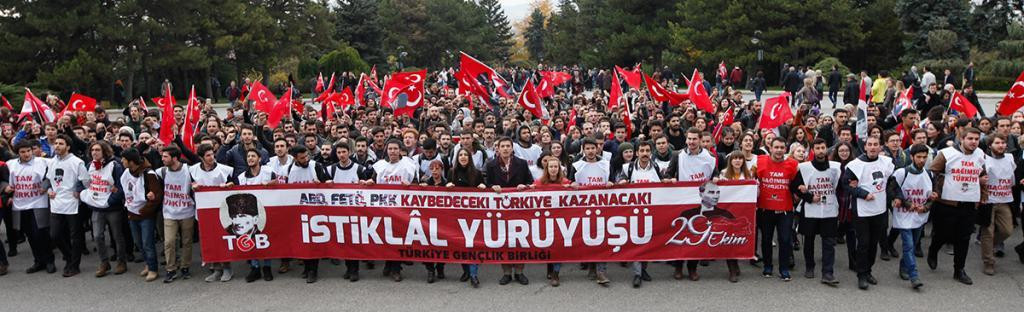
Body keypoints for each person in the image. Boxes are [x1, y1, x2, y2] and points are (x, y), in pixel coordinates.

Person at [928, 127, 986, 285]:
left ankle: (959, 270)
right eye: (970, 139)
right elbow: (932, 172)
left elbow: (983, 175)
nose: (974, 142)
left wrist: (983, 195)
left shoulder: (981, 154)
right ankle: (933, 250)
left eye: (976, 139)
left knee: (964, 237)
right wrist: (938, 189)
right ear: (962, 139)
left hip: (968, 203)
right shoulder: (947, 154)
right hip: (947, 202)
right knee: (943, 234)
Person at [842, 135, 902, 290]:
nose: (873, 147)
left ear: (880, 147)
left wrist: (896, 196)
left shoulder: (887, 162)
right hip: (862, 210)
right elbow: (846, 185)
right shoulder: (855, 165)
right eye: (870, 144)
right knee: (863, 243)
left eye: (876, 144)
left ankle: (868, 270)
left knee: (874, 243)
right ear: (865, 146)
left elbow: (891, 182)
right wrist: (862, 194)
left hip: (880, 209)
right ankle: (861, 275)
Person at [663, 128, 717, 280]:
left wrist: (717, 178)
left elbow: (715, 174)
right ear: (686, 139)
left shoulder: (710, 157)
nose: (691, 142)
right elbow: (668, 173)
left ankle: (692, 268)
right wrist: (670, 179)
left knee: (696, 235)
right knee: (680, 234)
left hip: (701, 202)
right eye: (689, 139)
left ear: (700, 140)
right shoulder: (677, 155)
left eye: (694, 139)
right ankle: (678, 267)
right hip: (682, 200)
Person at [485, 137, 533, 285]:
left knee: (519, 241)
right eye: (502, 146)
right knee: (503, 241)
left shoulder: (522, 163)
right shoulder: (491, 165)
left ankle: (519, 272)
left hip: (519, 209)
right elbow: (487, 184)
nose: (505, 148)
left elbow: (530, 182)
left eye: (508, 146)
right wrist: (492, 187)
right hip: (500, 210)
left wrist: (524, 186)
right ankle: (506, 272)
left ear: (512, 148)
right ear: (497, 149)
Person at [792, 138, 841, 285]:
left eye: (823, 147)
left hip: (829, 210)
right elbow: (794, 186)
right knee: (809, 240)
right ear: (813, 150)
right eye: (817, 148)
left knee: (829, 242)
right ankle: (809, 266)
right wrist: (808, 196)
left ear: (827, 149)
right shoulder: (804, 167)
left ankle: (828, 273)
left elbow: (840, 186)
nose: (820, 150)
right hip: (810, 210)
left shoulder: (835, 167)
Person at [370, 140, 418, 282]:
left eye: (395, 149)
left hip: (402, 208)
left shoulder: (409, 165)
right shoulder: (379, 166)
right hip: (384, 207)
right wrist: (369, 183)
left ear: (399, 150)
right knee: (386, 238)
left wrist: (410, 185)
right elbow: (373, 181)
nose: (392, 151)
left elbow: (417, 184)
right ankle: (388, 263)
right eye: (390, 148)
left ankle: (396, 268)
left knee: (397, 238)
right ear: (386, 150)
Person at [753, 137, 799, 281]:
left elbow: (797, 184)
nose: (779, 150)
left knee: (785, 240)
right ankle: (768, 266)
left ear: (785, 149)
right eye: (776, 147)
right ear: (770, 148)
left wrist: (799, 193)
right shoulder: (760, 161)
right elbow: (750, 178)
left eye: (781, 148)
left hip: (785, 210)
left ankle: (784, 268)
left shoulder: (793, 164)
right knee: (766, 239)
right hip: (765, 209)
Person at [189, 143, 236, 282]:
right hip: (204, 212)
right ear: (201, 157)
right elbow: (190, 186)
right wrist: (193, 186)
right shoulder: (193, 170)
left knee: (223, 239)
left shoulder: (225, 170)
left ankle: (227, 268)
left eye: (212, 154)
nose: (211, 157)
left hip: (222, 210)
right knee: (210, 240)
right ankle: (216, 269)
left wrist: (228, 185)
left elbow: (234, 184)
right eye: (208, 155)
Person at [326, 142, 373, 282]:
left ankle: (354, 270)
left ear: (349, 152)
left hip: (355, 212)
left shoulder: (360, 169)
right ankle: (348, 267)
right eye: (339, 153)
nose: (341, 155)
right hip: (338, 213)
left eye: (344, 152)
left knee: (354, 242)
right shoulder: (331, 169)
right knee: (344, 241)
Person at [570, 138, 614, 286]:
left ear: (597, 149)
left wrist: (611, 182)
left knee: (602, 238)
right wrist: (572, 183)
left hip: (603, 207)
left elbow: (613, 179)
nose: (590, 151)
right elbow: (570, 182)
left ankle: (601, 271)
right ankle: (591, 265)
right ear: (583, 149)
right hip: (583, 208)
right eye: (587, 148)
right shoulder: (577, 165)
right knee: (588, 237)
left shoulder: (606, 164)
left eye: (593, 148)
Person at [81, 141, 128, 278]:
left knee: (117, 236)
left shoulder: (115, 166)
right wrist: (86, 195)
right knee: (97, 235)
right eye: (92, 150)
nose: (94, 152)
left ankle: (121, 261)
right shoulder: (89, 165)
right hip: (97, 207)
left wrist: (111, 200)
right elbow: (83, 182)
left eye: (97, 150)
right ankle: (104, 262)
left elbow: (121, 186)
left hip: (112, 207)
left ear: (104, 152)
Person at [284, 145, 330, 283]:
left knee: (313, 241)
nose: (306, 159)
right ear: (295, 158)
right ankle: (306, 266)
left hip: (315, 210)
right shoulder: (290, 169)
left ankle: (313, 270)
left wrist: (320, 183)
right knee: (302, 241)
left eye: (307, 156)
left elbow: (328, 183)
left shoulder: (316, 166)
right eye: (302, 157)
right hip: (298, 211)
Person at [45, 135, 89, 277]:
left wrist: (78, 189)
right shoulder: (52, 162)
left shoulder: (77, 162)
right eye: (56, 143)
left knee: (74, 236)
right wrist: (49, 190)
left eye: (61, 143)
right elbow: (48, 180)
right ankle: (69, 257)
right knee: (55, 235)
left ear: (68, 147)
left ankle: (74, 265)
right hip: (56, 203)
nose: (57, 146)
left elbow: (86, 181)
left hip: (73, 203)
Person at [892, 144, 933, 289]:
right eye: (919, 157)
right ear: (911, 157)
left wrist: (926, 206)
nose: (922, 160)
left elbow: (931, 196)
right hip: (904, 215)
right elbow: (892, 189)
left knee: (913, 244)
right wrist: (905, 203)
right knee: (908, 245)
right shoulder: (901, 173)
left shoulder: (929, 174)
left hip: (919, 216)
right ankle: (914, 276)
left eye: (924, 157)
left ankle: (904, 266)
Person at [446, 148, 487, 288]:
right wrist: (447, 187)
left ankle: (474, 274)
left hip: (473, 216)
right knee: (461, 244)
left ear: (470, 157)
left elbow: (485, 192)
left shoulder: (477, 173)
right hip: (457, 215)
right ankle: (466, 271)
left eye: (465, 155)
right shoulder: (452, 172)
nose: (463, 157)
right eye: (460, 155)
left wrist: (483, 187)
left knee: (472, 245)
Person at [120, 148, 162, 282]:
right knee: (138, 242)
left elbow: (156, 196)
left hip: (145, 214)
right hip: (132, 212)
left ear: (131, 161)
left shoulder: (149, 174)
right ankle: (147, 264)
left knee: (147, 242)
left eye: (124, 159)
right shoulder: (127, 172)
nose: (121, 161)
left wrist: (145, 210)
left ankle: (153, 269)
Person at [236, 149, 277, 283]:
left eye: (253, 156)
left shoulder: (268, 172)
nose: (250, 158)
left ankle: (267, 267)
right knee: (251, 240)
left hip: (267, 212)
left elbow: (278, 184)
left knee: (265, 240)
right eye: (248, 156)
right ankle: (255, 268)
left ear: (259, 158)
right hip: (250, 215)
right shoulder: (242, 177)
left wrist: (269, 184)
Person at [157, 145, 196, 283]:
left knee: (187, 241)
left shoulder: (189, 170)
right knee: (169, 242)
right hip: (169, 212)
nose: (162, 159)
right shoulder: (161, 171)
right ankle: (171, 269)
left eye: (165, 156)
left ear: (174, 158)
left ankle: (185, 266)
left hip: (187, 211)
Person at [714, 151, 752, 283]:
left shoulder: (748, 174)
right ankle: (732, 268)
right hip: (728, 211)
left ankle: (735, 263)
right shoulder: (724, 174)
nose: (737, 161)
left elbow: (755, 193)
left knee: (739, 239)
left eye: (740, 159)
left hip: (743, 211)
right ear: (730, 161)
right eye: (735, 158)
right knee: (729, 240)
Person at [980, 133, 1014, 276]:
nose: (1001, 145)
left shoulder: (1010, 158)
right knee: (988, 231)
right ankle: (989, 261)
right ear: (990, 146)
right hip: (988, 201)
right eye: (997, 143)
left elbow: (1013, 178)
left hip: (1004, 200)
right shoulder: (984, 160)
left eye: (1003, 143)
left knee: (1007, 230)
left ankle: (988, 245)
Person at [418, 159, 448, 283]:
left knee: (443, 245)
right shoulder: (425, 183)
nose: (435, 171)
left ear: (442, 170)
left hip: (443, 220)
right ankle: (430, 270)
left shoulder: (447, 184)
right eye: (432, 169)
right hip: (428, 220)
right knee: (427, 245)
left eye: (437, 168)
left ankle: (440, 267)